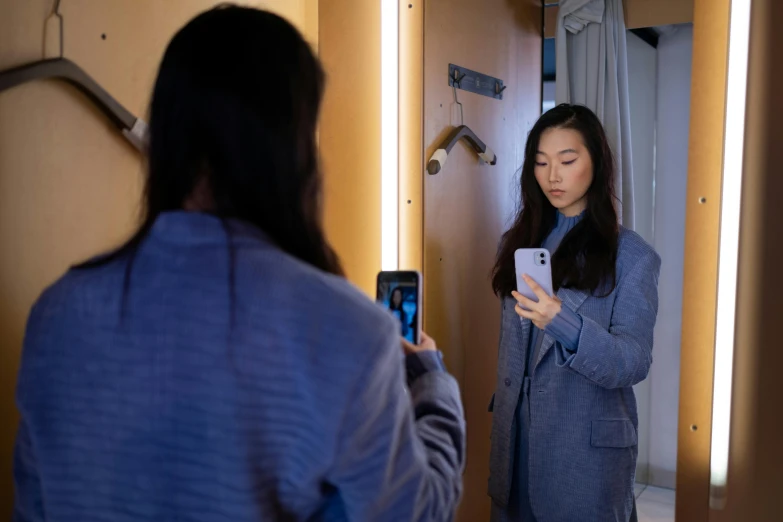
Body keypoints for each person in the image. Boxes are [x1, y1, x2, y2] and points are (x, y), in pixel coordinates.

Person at [13, 6, 465, 521]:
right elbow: (414, 514)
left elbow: (35, 508)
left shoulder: (58, 312)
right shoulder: (345, 330)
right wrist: (431, 385)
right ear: (293, 144)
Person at [487, 104, 660, 522]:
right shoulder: (521, 242)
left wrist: (562, 322)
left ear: (596, 164)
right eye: (541, 163)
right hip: (516, 443)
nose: (553, 176)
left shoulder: (631, 255)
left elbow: (633, 361)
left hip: (583, 451)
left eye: (567, 160)